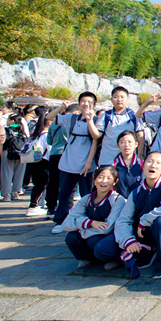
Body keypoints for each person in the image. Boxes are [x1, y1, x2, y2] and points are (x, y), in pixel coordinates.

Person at [114, 152, 161, 279]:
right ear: (143, 165)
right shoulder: (136, 192)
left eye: (158, 163)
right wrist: (128, 240)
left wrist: (145, 219)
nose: (153, 165)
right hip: (142, 235)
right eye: (149, 161)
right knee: (106, 249)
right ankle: (148, 253)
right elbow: (123, 220)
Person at [47, 93, 100, 234]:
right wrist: (61, 108)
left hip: (86, 164)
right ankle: (61, 220)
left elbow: (95, 138)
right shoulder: (71, 118)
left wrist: (89, 162)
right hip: (69, 161)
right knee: (64, 193)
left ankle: (87, 219)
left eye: (89, 101)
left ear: (94, 105)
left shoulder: (97, 120)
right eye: (83, 101)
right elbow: (48, 118)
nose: (85, 104)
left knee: (86, 194)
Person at [62, 166, 126, 270]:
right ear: (94, 179)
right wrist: (89, 223)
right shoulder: (86, 199)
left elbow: (107, 228)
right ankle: (89, 258)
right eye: (100, 177)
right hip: (92, 231)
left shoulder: (118, 200)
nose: (104, 181)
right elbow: (65, 224)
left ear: (115, 182)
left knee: (93, 241)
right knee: (71, 237)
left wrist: (81, 230)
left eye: (109, 178)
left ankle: (115, 259)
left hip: (110, 236)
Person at [93, 87, 144, 166]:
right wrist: (90, 121)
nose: (119, 100)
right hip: (107, 158)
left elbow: (140, 136)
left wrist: (139, 156)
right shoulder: (105, 116)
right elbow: (97, 136)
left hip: (128, 160)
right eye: (116, 97)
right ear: (111, 99)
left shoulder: (134, 115)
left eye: (122, 97)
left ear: (127, 99)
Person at [25, 111, 52, 217]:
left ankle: (34, 205)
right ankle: (33, 206)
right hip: (44, 163)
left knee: (38, 185)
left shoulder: (36, 134)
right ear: (50, 122)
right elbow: (49, 150)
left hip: (34, 162)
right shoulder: (46, 135)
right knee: (42, 185)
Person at [0, 114, 28, 201]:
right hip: (21, 154)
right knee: (19, 174)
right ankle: (15, 193)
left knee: (7, 174)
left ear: (12, 120)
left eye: (8, 119)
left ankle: (7, 194)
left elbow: (2, 143)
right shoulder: (22, 129)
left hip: (8, 152)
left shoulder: (6, 130)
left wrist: (1, 154)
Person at [112, 131, 143, 198]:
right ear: (118, 145)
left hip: (137, 200)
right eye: (122, 142)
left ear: (136, 144)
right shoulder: (113, 165)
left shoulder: (142, 164)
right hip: (118, 201)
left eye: (130, 142)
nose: (126, 145)